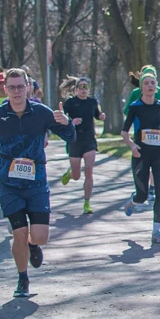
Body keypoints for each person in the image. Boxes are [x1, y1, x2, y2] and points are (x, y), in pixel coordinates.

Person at [0, 67, 75, 297]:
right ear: (5, 89)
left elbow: (70, 137)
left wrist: (67, 122)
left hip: (36, 184)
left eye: (20, 87)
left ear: (28, 88)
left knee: (40, 236)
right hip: (9, 184)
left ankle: (34, 246)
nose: (16, 91)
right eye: (11, 87)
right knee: (19, 234)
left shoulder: (42, 113)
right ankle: (22, 278)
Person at [122, 69, 160, 245]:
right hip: (141, 154)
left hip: (159, 153)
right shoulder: (135, 107)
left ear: (156, 87)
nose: (150, 86)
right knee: (142, 196)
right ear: (141, 87)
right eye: (146, 83)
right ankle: (133, 201)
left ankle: (156, 231)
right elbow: (124, 132)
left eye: (152, 83)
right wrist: (132, 145)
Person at [60, 76, 104, 215]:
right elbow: (61, 119)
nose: (84, 90)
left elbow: (97, 115)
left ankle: (87, 203)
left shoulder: (92, 102)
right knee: (77, 175)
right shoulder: (70, 103)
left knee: (89, 171)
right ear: (76, 89)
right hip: (74, 140)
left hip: (89, 139)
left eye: (86, 87)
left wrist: (101, 116)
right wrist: (71, 121)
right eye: (81, 87)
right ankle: (70, 173)